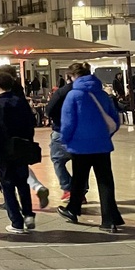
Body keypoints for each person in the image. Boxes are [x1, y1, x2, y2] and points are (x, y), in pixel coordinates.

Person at [56, 62, 124, 233]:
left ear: (73, 77)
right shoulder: (102, 94)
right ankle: (109, 220)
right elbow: (115, 120)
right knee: (105, 182)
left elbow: (68, 122)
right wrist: (104, 136)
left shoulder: (73, 95)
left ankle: (73, 210)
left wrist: (65, 139)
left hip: (80, 146)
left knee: (79, 179)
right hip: (102, 145)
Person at [0, 71, 38, 234]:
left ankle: (16, 221)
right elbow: (31, 124)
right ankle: (28, 214)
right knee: (23, 182)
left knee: (7, 185)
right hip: (21, 147)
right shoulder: (21, 102)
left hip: (2, 150)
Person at [46, 66, 88, 204]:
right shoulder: (92, 90)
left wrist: (58, 119)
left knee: (58, 160)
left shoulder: (63, 92)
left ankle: (68, 188)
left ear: (69, 77)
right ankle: (81, 191)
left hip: (61, 130)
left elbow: (49, 110)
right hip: (84, 132)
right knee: (81, 163)